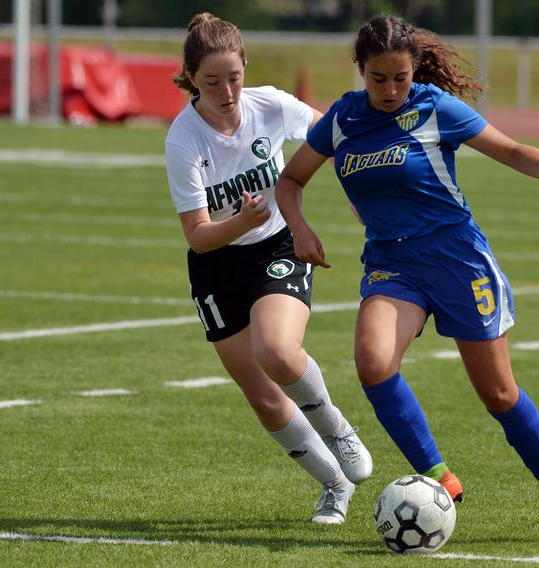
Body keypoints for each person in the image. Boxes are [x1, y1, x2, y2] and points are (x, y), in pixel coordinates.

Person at [275, 15, 539, 542]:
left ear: (414, 70)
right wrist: (300, 229)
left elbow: (505, 148)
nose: (391, 90)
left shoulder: (434, 107)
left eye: (400, 78)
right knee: (373, 364)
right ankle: (438, 477)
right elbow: (291, 180)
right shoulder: (342, 120)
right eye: (378, 79)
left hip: (458, 259)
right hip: (392, 263)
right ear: (360, 72)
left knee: (498, 394)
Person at [164, 12, 372, 525]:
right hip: (216, 264)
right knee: (261, 394)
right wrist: (238, 220)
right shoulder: (183, 139)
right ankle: (334, 487)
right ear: (191, 77)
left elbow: (337, 135)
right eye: (212, 82)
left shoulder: (271, 104)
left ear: (245, 68)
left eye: (234, 77)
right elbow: (198, 235)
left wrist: (361, 193)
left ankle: (339, 430)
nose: (227, 91)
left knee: (277, 352)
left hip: (276, 247)